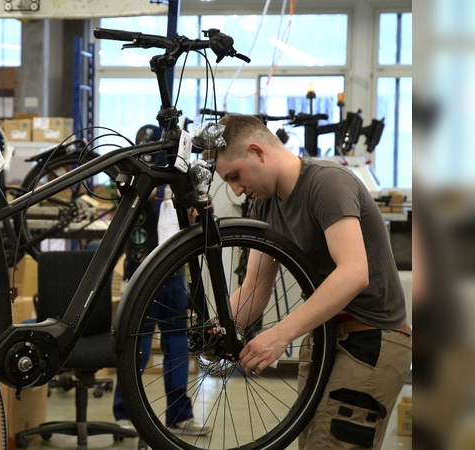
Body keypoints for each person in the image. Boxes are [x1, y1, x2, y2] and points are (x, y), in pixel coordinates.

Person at [213, 113, 412, 449]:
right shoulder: (264, 207)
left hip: (372, 338)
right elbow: (253, 291)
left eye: (235, 175)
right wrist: (215, 329)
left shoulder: (326, 184)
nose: (235, 189)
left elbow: (353, 273)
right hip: (324, 337)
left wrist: (278, 336)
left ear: (258, 152)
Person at [112, 187, 209, 437]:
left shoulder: (178, 177)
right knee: (137, 346)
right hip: (140, 276)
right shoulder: (137, 178)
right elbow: (120, 190)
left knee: (177, 346)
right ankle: (125, 413)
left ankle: (179, 415)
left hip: (175, 275)